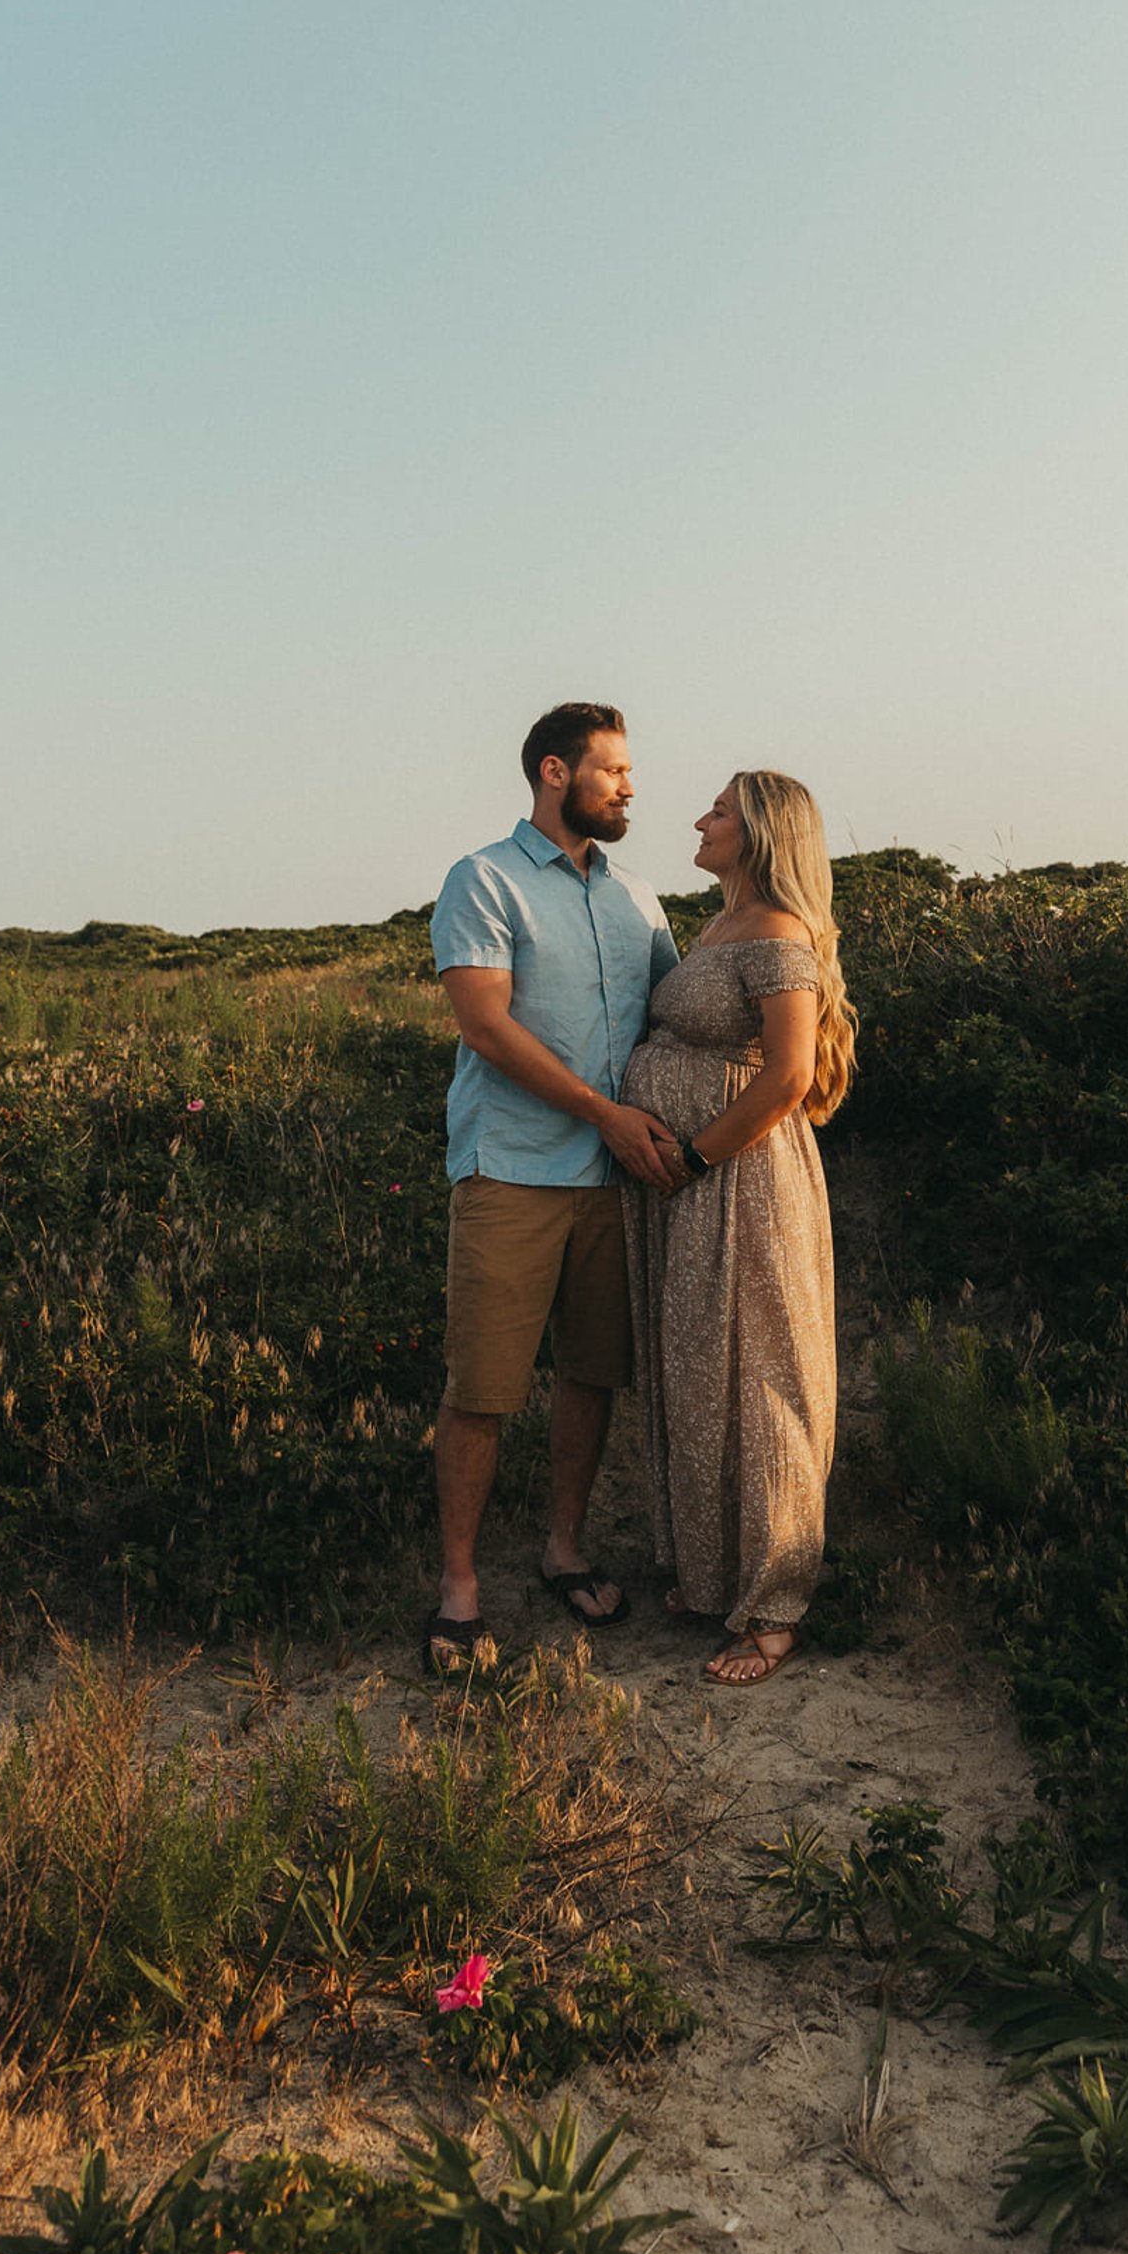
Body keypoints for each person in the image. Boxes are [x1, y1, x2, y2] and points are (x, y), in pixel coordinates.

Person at [425, 702, 684, 1673]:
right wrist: (604, 1114)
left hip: (613, 1184)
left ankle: (563, 1549)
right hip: (512, 1171)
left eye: (628, 772)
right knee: (482, 1387)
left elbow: (677, 1011)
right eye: (611, 770)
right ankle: (458, 1587)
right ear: (552, 772)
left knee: (590, 1371)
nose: (628, 787)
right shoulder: (482, 880)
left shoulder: (640, 899)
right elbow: (486, 1027)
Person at [622, 770, 855, 1685]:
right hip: (692, 1184)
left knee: (764, 1372)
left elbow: (789, 1074)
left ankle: (774, 1606)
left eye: (719, 810)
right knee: (698, 1370)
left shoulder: (779, 932)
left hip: (741, 1178)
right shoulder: (718, 924)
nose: (700, 820)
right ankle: (713, 1572)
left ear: (761, 833)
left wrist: (695, 1155)